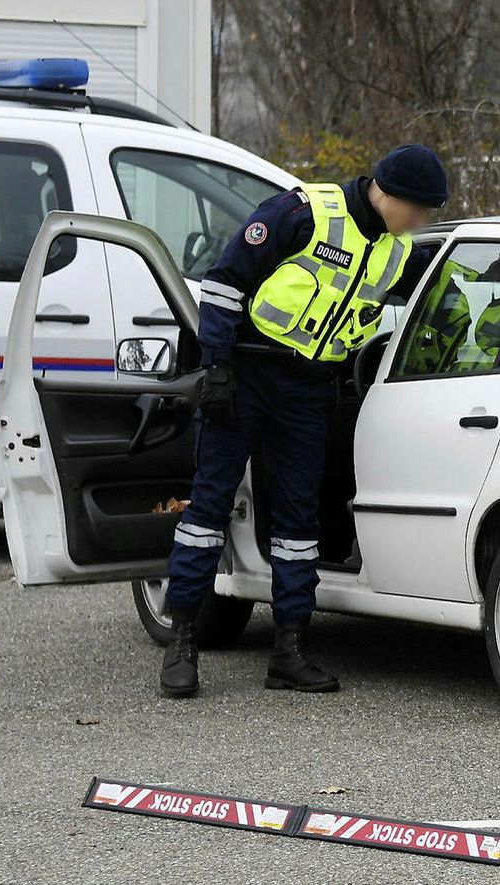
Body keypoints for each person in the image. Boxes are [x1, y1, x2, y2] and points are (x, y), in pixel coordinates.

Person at [158, 145, 448, 698]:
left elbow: (437, 297)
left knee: (297, 522)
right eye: (420, 210)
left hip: (308, 391)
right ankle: (183, 643)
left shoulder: (394, 250)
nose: (422, 222)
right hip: (246, 376)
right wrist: (214, 368)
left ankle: (289, 650)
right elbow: (223, 283)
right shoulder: (303, 214)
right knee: (208, 510)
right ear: (389, 194)